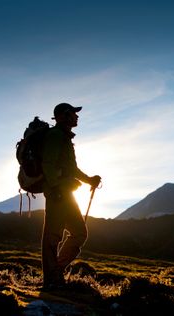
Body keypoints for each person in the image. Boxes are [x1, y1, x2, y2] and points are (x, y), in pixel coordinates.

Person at [40, 102, 101, 290]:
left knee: (77, 233)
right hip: (58, 193)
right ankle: (52, 279)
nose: (76, 116)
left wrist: (89, 180)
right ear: (62, 116)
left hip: (65, 192)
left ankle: (55, 274)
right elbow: (47, 163)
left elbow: (71, 169)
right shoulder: (56, 135)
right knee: (54, 236)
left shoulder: (64, 137)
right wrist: (55, 188)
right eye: (73, 113)